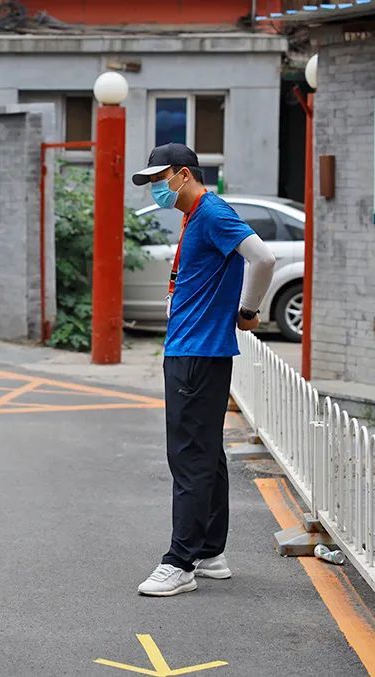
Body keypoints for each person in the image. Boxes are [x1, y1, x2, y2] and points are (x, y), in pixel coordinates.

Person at [131, 143, 275, 597]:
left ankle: (181, 561)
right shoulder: (197, 216)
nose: (156, 188)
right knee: (206, 454)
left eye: (159, 179)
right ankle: (211, 552)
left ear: (182, 174)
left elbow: (263, 258)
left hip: (195, 352)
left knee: (189, 457)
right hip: (196, 350)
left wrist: (249, 309)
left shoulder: (212, 212)